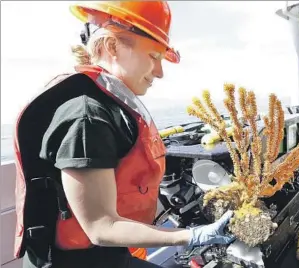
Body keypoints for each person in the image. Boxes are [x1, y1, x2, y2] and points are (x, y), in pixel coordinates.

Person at [13, 2, 234, 268]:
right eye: (153, 57)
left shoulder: (109, 104)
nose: (160, 72)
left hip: (110, 256)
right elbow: (101, 227)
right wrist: (192, 235)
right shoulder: (87, 117)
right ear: (112, 47)